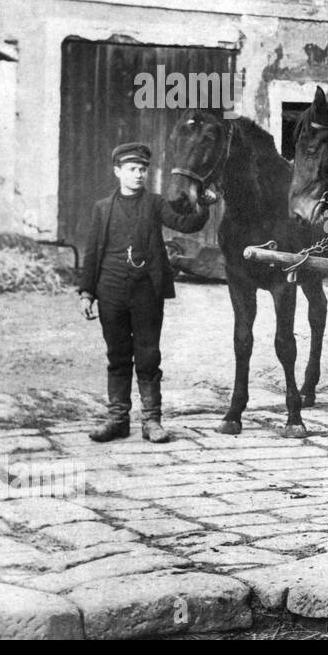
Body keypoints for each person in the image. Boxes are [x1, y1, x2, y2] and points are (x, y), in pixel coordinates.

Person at [77, 142, 210, 443]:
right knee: (118, 355)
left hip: (146, 291)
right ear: (117, 172)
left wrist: (203, 205)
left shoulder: (155, 203)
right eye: (132, 169)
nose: (138, 175)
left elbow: (185, 222)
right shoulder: (102, 208)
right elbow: (92, 253)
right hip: (109, 290)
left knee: (148, 355)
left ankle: (152, 421)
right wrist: (86, 292)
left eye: (142, 170)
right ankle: (117, 419)